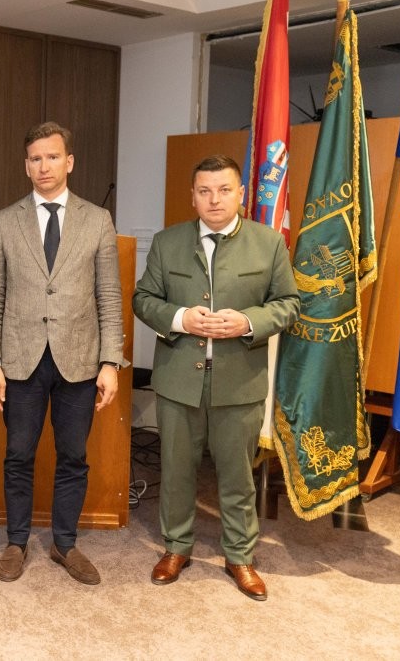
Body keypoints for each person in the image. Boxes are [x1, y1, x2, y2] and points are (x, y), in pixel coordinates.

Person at [132, 154, 299, 601]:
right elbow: (143, 299)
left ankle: (240, 555)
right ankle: (176, 547)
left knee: (237, 475)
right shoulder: (168, 242)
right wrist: (181, 318)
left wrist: (247, 322)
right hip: (178, 382)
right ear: (193, 196)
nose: (214, 199)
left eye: (224, 190)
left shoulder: (268, 243)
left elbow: (289, 304)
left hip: (239, 383)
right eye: (204, 191)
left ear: (241, 193)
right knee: (176, 471)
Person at [0, 121, 123, 585]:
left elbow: (109, 295)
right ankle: (16, 541)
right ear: (26, 166)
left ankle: (65, 542)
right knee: (18, 454)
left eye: (53, 157)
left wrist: (110, 362)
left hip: (79, 360)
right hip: (19, 360)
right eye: (36, 158)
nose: (44, 166)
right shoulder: (5, 221)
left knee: (73, 456)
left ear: (69, 162)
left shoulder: (97, 220)